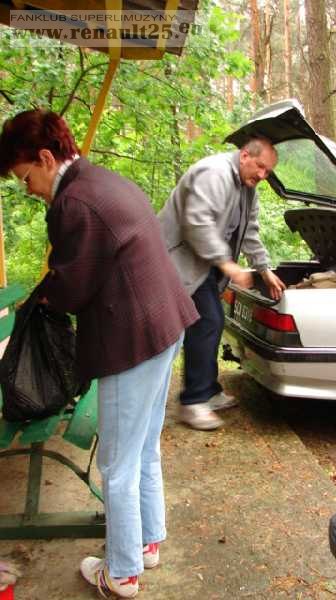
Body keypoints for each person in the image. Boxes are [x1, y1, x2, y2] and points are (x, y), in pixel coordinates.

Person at [0, 109, 199, 599]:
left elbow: (72, 289)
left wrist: (40, 301)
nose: (27, 189)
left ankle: (123, 573)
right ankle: (148, 542)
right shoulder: (102, 180)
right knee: (141, 448)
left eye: (25, 177)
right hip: (165, 325)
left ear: (46, 159)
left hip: (132, 339)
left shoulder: (74, 204)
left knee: (115, 463)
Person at [158, 137, 286, 431]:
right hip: (178, 262)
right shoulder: (214, 173)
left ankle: (207, 391)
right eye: (260, 167)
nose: (263, 175)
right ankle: (192, 402)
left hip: (205, 265)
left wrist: (263, 269)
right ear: (244, 156)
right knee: (208, 322)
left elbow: (250, 231)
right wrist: (227, 264)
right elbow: (197, 224)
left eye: (268, 172)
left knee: (211, 323)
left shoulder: (247, 188)